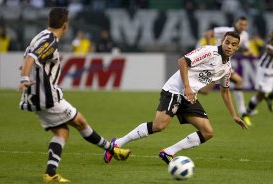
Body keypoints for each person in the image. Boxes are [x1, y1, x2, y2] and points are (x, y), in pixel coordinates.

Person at [18, 8, 130, 183]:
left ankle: (50, 173)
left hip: (35, 95)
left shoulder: (40, 35)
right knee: (80, 122)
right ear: (65, 25)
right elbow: (31, 57)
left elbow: (29, 57)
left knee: (62, 132)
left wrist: (25, 73)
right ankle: (112, 150)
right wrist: (25, 77)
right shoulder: (50, 40)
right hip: (46, 95)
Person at [104, 31, 248, 165]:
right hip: (175, 89)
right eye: (227, 42)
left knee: (207, 132)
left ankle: (168, 152)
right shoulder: (209, 51)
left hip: (189, 96)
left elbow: (225, 91)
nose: (229, 46)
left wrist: (234, 115)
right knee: (159, 126)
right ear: (222, 41)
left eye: (233, 44)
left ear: (237, 47)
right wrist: (187, 86)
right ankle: (117, 143)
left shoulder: (227, 68)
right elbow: (182, 61)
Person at [202, 16, 253, 126]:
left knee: (239, 81)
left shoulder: (245, 35)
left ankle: (242, 110)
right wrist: (209, 47)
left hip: (224, 64)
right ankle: (185, 92)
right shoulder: (225, 31)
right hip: (214, 61)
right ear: (236, 23)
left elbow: (246, 49)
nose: (242, 26)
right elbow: (207, 34)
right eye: (241, 24)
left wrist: (244, 49)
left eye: (245, 24)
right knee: (205, 91)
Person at [242, 32, 273, 118]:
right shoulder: (271, 42)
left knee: (262, 94)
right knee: (260, 95)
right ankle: (246, 114)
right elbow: (270, 51)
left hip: (271, 70)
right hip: (264, 70)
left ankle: (270, 97)